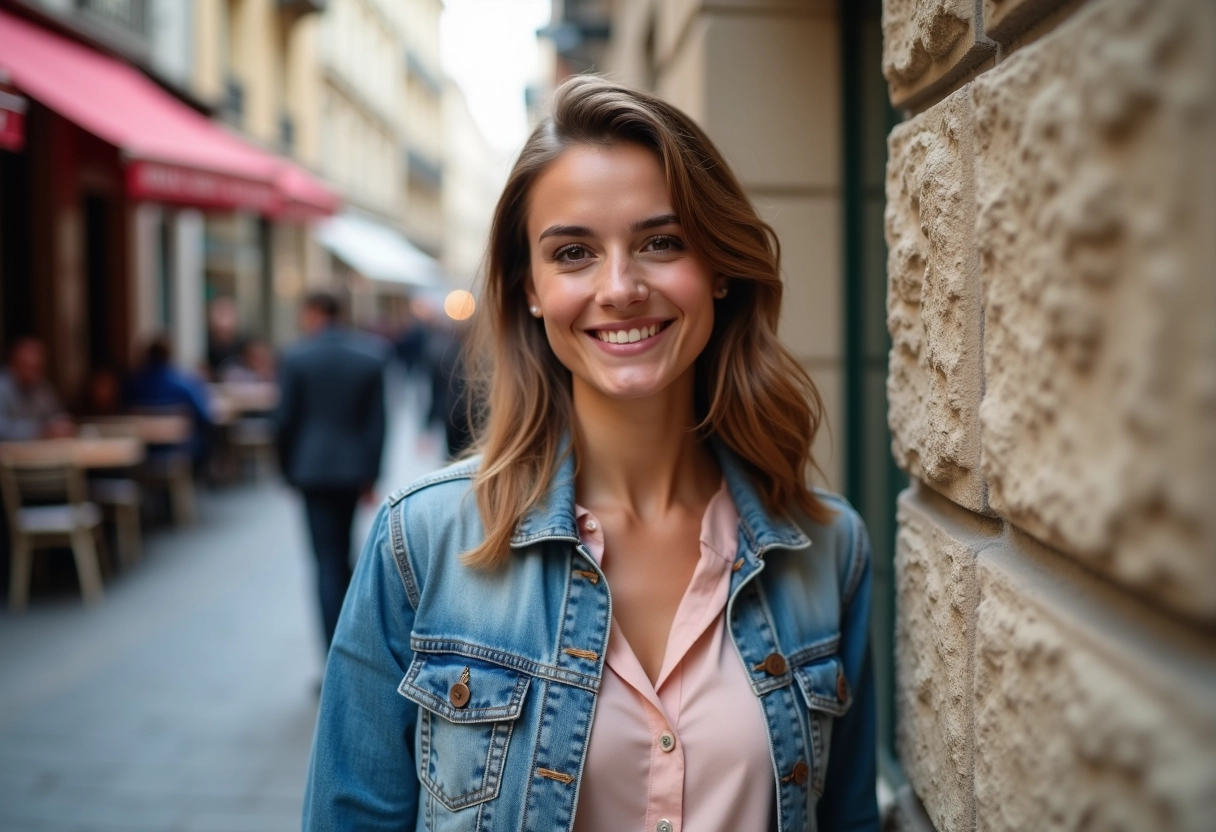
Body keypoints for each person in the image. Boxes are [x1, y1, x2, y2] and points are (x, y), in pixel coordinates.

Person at [304, 77, 878, 832]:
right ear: (531, 289)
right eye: (573, 253)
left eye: (661, 242)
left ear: (720, 268)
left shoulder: (828, 548)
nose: (620, 287)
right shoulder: (423, 541)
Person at [274, 291, 387, 652]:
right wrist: (372, 474)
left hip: (311, 470)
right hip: (353, 470)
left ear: (314, 312)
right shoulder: (370, 355)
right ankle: (350, 645)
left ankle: (332, 655)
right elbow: (378, 424)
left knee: (326, 562)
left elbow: (284, 422)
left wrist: (287, 472)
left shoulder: (296, 356)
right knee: (344, 556)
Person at [123, 336, 214, 464]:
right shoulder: (183, 384)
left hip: (141, 452)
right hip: (179, 451)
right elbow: (204, 416)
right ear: (169, 356)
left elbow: (122, 413)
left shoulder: (132, 385)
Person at [0, 337, 74, 441]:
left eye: (37, 368)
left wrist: (62, 425)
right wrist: (40, 430)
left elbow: (57, 415)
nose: (32, 373)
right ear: (13, 363)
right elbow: (2, 429)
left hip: (37, 448)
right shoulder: (2, 387)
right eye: (27, 366)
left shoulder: (42, 387)